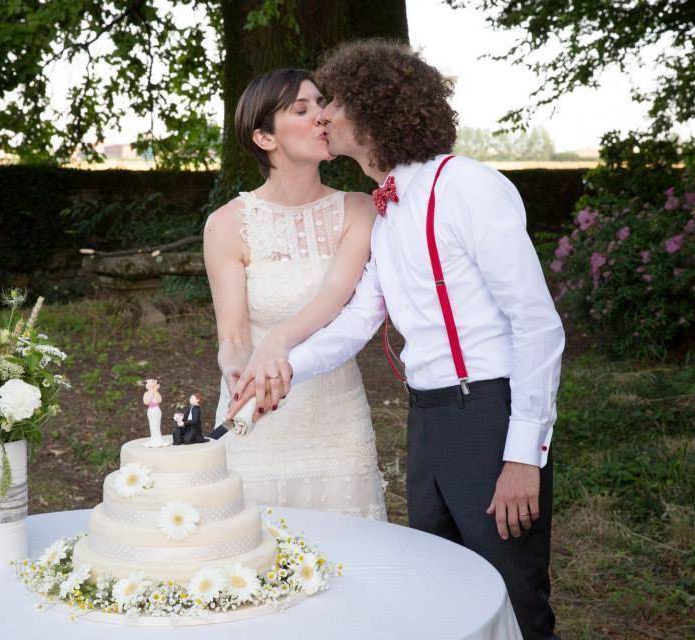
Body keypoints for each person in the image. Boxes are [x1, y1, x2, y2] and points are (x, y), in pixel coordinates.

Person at [227, 41, 565, 640]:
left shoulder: (470, 187)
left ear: (375, 111)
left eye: (332, 102)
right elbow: (357, 321)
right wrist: (282, 370)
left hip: (489, 413)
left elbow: (537, 325)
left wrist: (522, 455)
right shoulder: (387, 210)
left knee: (516, 597)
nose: (323, 114)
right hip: (428, 419)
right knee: (447, 591)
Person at [203, 68, 386, 520]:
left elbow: (334, 298)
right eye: (301, 110)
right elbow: (232, 334)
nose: (322, 117)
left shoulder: (360, 208)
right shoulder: (227, 222)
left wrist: (276, 342)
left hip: (336, 420)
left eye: (321, 105)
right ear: (264, 137)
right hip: (258, 419)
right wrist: (235, 374)